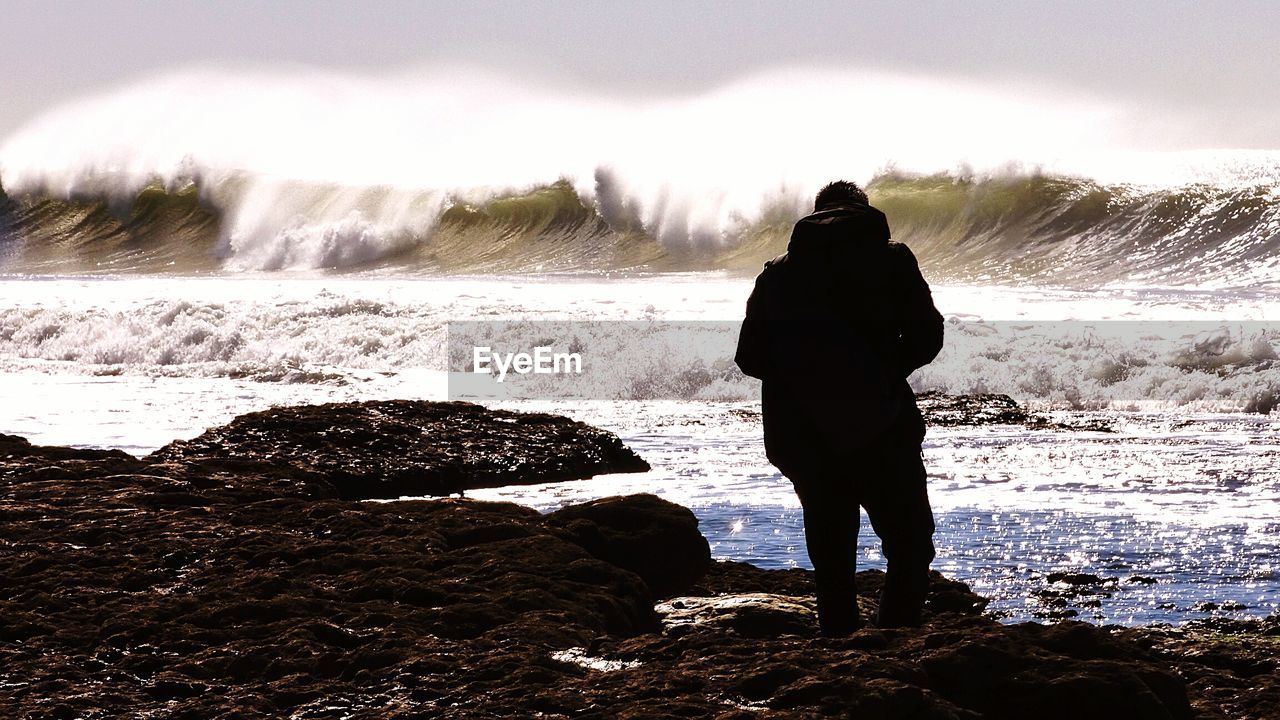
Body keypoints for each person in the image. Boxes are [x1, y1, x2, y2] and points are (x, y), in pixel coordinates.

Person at [735, 180, 944, 636]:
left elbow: (749, 358)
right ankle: (896, 642)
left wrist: (804, 379)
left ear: (814, 216)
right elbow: (928, 337)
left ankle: (839, 645)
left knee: (832, 554)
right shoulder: (891, 259)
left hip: (802, 433)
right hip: (881, 425)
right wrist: (882, 373)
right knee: (909, 545)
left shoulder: (776, 273)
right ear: (863, 213)